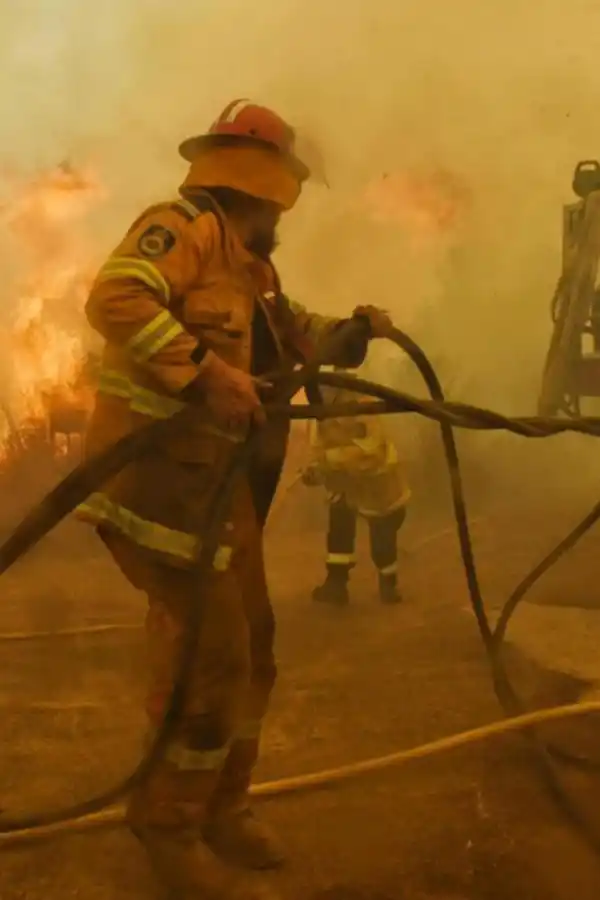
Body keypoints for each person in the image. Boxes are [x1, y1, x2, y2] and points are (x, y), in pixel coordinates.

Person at [76, 99, 393, 900]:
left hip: (220, 495)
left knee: (257, 645)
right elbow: (115, 298)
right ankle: (167, 822)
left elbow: (289, 333)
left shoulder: (251, 266)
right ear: (267, 186)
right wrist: (204, 371)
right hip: (161, 495)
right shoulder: (182, 229)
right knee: (215, 657)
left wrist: (352, 332)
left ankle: (225, 807)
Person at [303, 368, 410, 605]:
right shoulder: (324, 410)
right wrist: (314, 470)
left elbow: (370, 452)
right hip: (345, 481)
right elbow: (321, 444)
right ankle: (336, 584)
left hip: (376, 483)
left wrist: (330, 462)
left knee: (382, 538)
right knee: (339, 528)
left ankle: (388, 585)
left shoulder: (362, 406)